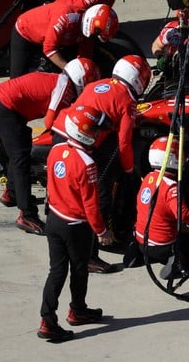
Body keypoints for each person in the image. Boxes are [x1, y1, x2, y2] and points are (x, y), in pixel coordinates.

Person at [52, 54, 152, 273]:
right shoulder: (127, 101)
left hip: (62, 130)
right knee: (99, 195)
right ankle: (91, 253)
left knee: (64, 188)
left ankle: (63, 229)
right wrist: (128, 170)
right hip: (81, 139)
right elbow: (124, 143)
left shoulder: (99, 83)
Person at [0, 57, 99, 234]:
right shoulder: (64, 87)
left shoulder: (60, 80)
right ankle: (26, 215)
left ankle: (12, 194)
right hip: (4, 107)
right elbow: (49, 122)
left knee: (19, 148)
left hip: (1, 103)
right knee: (21, 159)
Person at [38, 104, 115, 342]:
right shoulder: (87, 164)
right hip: (75, 227)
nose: (98, 134)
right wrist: (101, 231)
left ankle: (47, 320)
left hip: (53, 220)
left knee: (57, 271)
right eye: (95, 130)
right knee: (79, 270)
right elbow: (91, 205)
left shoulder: (55, 150)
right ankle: (77, 310)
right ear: (85, 133)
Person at [135, 136, 189, 276]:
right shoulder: (170, 186)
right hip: (163, 246)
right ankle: (177, 263)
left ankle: (136, 254)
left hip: (142, 241)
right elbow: (184, 214)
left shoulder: (148, 178)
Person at [9, 3, 118, 78]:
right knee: (16, 79)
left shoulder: (89, 33)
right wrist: (70, 69)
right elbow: (49, 49)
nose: (93, 40)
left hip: (53, 40)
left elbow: (85, 57)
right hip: (24, 32)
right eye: (94, 37)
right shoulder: (65, 18)